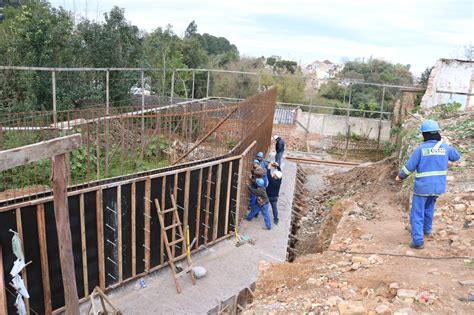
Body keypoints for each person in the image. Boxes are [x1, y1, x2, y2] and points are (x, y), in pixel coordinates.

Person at [396, 120, 461, 249]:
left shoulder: (421, 149)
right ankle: (427, 230)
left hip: (422, 187)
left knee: (418, 213)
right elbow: (456, 156)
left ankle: (418, 241)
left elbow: (409, 167)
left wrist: (400, 176)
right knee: (429, 208)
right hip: (438, 187)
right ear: (437, 133)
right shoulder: (445, 148)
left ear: (424, 135)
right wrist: (446, 144)